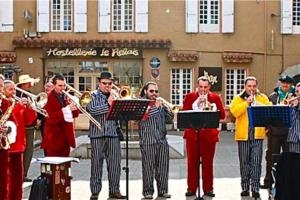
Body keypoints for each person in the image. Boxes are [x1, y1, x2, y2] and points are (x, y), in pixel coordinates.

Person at [183, 76, 225, 197]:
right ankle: (191, 188)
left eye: (205, 87)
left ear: (209, 87)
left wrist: (212, 107)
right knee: (192, 163)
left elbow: (222, 115)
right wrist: (196, 104)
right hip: (192, 135)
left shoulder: (215, 97)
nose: (203, 90)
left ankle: (208, 189)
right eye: (200, 87)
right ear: (197, 86)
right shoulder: (190, 97)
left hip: (209, 136)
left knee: (208, 163)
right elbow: (184, 113)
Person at [230, 76, 271, 198]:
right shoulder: (238, 98)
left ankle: (255, 188)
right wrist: (246, 103)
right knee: (244, 163)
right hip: (243, 136)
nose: (252, 88)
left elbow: (269, 109)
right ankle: (245, 187)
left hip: (257, 135)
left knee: (256, 163)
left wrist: (258, 104)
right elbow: (234, 112)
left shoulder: (262, 97)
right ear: (245, 86)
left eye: (254, 86)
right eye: (249, 86)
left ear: (256, 86)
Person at [86, 71, 125, 200]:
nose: (107, 86)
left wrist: (119, 103)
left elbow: (121, 114)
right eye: (104, 83)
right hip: (97, 134)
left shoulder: (115, 95)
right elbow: (92, 111)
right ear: (99, 83)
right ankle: (95, 192)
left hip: (113, 133)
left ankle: (114, 190)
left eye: (109, 83)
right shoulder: (92, 95)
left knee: (115, 164)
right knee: (96, 164)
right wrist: (108, 103)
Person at [138, 81, 173, 199]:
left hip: (162, 140)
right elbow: (142, 117)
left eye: (156, 91)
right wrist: (156, 107)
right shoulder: (142, 103)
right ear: (145, 91)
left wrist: (168, 109)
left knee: (163, 167)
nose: (154, 93)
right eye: (151, 91)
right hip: (148, 140)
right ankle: (148, 192)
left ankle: (163, 190)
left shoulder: (160, 104)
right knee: (148, 168)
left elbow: (169, 119)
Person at [4, 80, 37, 200]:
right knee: (7, 182)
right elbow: (10, 119)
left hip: (19, 146)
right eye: (10, 90)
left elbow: (28, 121)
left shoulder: (15, 102)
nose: (13, 93)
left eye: (14, 90)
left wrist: (30, 108)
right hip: (7, 147)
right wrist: (19, 106)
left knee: (18, 182)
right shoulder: (5, 104)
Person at [261, 75, 295, 189]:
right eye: (283, 83)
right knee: (270, 156)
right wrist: (267, 128)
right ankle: (268, 181)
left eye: (287, 83)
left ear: (291, 85)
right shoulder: (273, 96)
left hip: (288, 132)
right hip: (274, 131)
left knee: (288, 157)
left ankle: (286, 182)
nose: (285, 85)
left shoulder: (294, 96)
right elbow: (268, 113)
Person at [41, 74, 79, 156]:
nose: (63, 88)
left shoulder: (66, 97)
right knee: (54, 167)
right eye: (60, 85)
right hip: (53, 138)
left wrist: (75, 106)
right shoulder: (47, 98)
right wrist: (66, 109)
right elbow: (50, 118)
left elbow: (75, 115)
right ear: (54, 86)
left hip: (66, 138)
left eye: (64, 85)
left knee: (65, 167)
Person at [16, 74, 39, 182]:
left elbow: (36, 108)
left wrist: (37, 119)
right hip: (19, 127)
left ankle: (24, 173)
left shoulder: (30, 95)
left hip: (30, 127)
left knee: (29, 151)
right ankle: (18, 173)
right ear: (22, 84)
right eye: (27, 83)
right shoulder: (15, 94)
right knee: (19, 151)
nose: (30, 85)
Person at [0, 75, 16, 200]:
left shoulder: (5, 102)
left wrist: (8, 128)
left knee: (4, 180)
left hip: (2, 145)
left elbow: (13, 122)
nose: (0, 89)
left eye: (1, 86)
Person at [36, 81, 54, 156]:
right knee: (46, 146)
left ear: (54, 87)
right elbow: (39, 111)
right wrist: (38, 119)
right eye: (46, 86)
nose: (47, 88)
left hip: (55, 124)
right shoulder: (41, 97)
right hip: (45, 124)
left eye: (49, 86)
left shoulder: (57, 97)